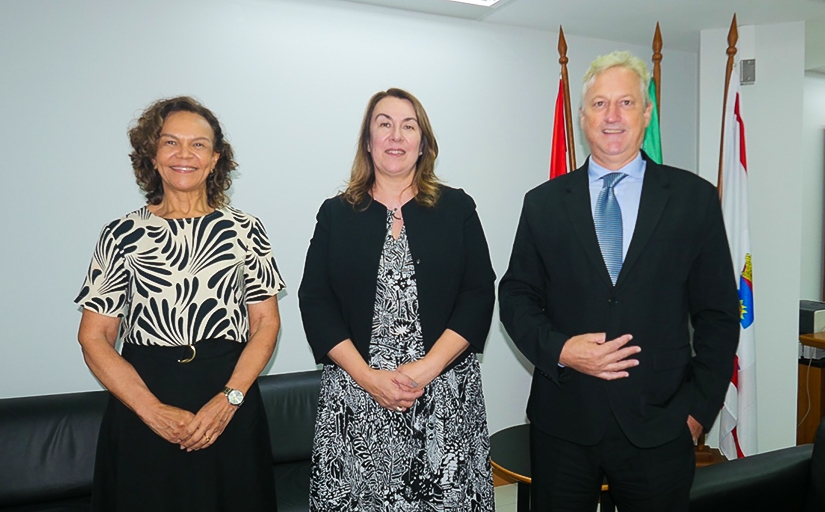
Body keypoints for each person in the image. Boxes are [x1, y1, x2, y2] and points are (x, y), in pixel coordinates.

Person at [498, 51, 740, 511]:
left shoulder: (694, 199)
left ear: (646, 113)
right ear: (583, 116)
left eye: (626, 103)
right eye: (600, 104)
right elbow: (515, 296)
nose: (612, 116)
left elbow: (719, 315)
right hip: (563, 423)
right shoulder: (543, 202)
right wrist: (561, 350)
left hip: (661, 424)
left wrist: (697, 413)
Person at [75, 96, 285, 511]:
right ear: (152, 156)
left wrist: (230, 400)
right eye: (171, 143)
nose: (184, 154)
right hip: (142, 402)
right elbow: (94, 337)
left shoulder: (245, 230)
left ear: (215, 159)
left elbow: (265, 324)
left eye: (198, 145)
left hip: (229, 399)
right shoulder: (120, 234)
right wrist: (150, 410)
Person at [298, 88, 496, 511]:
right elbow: (315, 301)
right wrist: (368, 378)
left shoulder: (456, 207)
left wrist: (426, 369)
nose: (396, 136)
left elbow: (479, 292)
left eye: (409, 126)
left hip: (443, 399)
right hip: (356, 399)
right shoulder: (336, 213)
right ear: (368, 141)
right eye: (384, 124)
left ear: (423, 143)